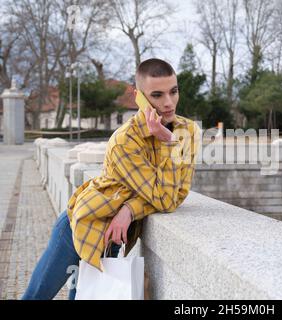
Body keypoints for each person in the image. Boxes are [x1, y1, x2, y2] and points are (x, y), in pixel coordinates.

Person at [22, 58, 200, 300]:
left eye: (173, 91)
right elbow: (164, 197)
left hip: (112, 237)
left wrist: (128, 209)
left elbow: (178, 193)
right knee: (35, 297)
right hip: (80, 224)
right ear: (139, 97)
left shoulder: (187, 132)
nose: (168, 103)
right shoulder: (125, 141)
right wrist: (169, 142)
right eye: (157, 95)